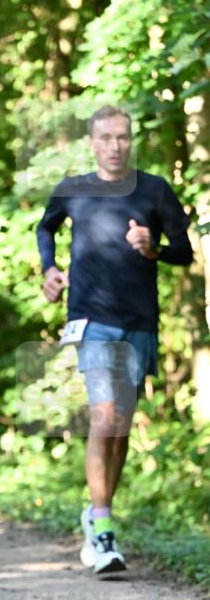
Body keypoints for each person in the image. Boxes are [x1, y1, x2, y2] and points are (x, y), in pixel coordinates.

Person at [36, 105, 193, 576]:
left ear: (131, 141)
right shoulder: (73, 188)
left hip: (139, 320)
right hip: (91, 319)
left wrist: (153, 248)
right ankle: (104, 529)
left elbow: (184, 252)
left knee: (121, 425)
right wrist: (49, 269)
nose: (115, 145)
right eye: (105, 137)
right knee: (104, 416)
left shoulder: (154, 190)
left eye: (122, 137)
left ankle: (97, 512)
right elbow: (45, 227)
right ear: (92, 142)